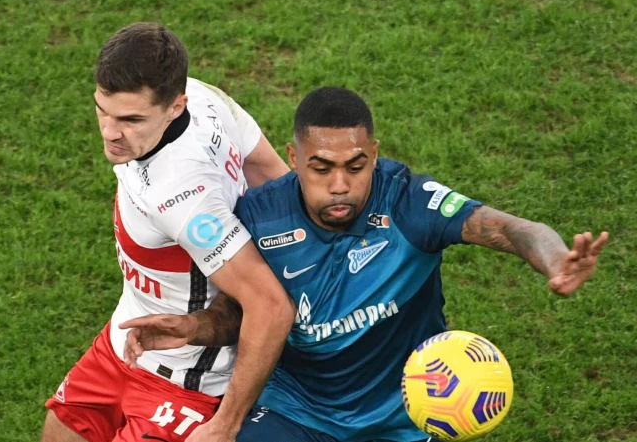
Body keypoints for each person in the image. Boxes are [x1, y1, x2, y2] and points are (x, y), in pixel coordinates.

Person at [122, 87, 609, 441]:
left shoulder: (408, 203)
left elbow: (509, 228)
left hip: (402, 419)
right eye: (321, 168)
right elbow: (240, 310)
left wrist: (555, 260)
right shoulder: (260, 216)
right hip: (297, 413)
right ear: (294, 157)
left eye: (355, 167)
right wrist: (194, 326)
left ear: (374, 155)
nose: (340, 185)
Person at [41, 22, 295, 442]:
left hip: (183, 379)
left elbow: (270, 307)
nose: (109, 132)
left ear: (175, 107)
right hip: (125, 339)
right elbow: (272, 175)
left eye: (131, 120)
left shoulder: (181, 197)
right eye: (103, 109)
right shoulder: (204, 95)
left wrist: (225, 425)